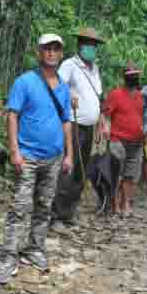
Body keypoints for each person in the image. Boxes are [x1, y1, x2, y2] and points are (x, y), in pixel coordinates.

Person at [0, 35, 73, 285]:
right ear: (39, 52)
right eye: (47, 49)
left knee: (44, 206)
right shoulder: (25, 82)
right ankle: (9, 257)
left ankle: (35, 249)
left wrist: (69, 154)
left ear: (61, 54)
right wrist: (14, 151)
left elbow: (66, 121)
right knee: (20, 207)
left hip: (53, 156)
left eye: (56, 49)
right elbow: (12, 115)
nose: (51, 53)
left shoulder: (63, 87)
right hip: (27, 155)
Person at [51, 27, 105, 233]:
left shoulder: (95, 68)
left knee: (80, 171)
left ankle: (69, 213)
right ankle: (56, 216)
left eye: (94, 45)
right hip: (72, 124)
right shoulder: (70, 65)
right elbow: (56, 85)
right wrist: (68, 96)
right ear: (80, 45)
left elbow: (98, 96)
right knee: (68, 168)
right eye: (88, 44)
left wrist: (100, 119)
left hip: (89, 126)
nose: (91, 48)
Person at [103, 63, 145, 216]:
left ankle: (126, 203)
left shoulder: (140, 96)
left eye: (135, 75)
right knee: (116, 173)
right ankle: (115, 203)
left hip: (137, 141)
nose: (133, 77)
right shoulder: (115, 94)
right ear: (125, 77)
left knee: (130, 174)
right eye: (130, 75)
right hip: (118, 139)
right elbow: (106, 114)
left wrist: (144, 132)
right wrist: (105, 128)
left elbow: (140, 116)